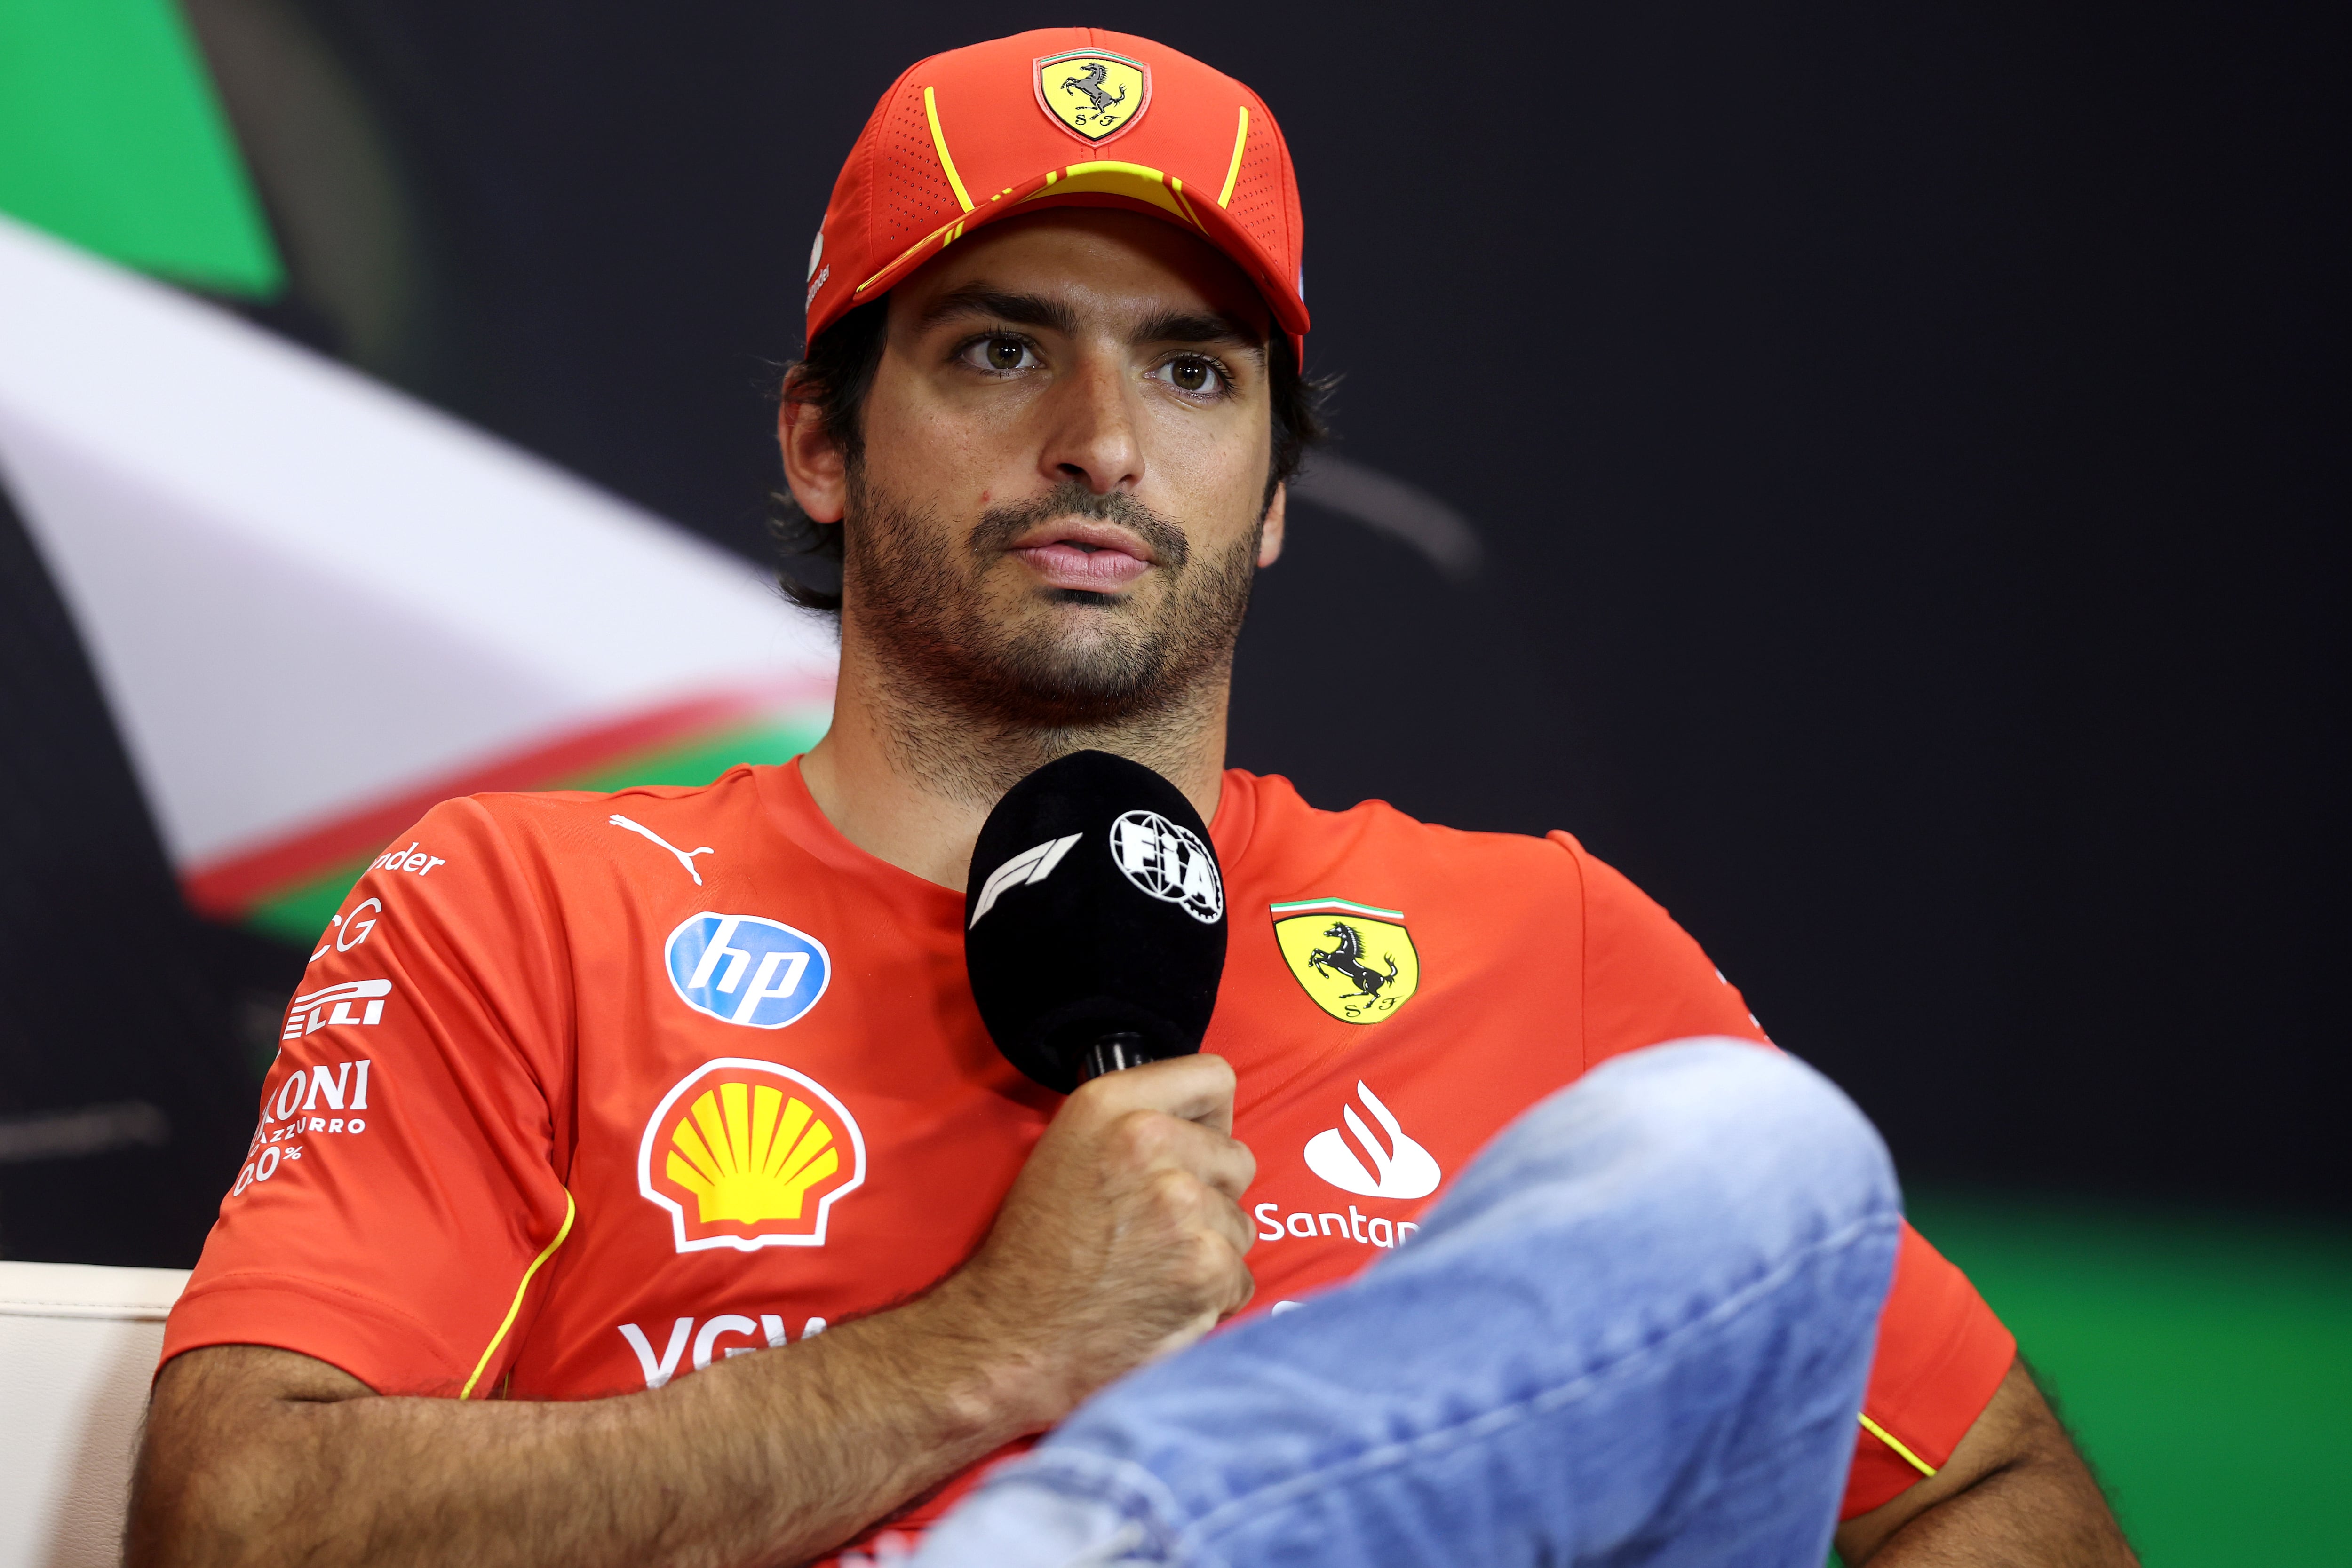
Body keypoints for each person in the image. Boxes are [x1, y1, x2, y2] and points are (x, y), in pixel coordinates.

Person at [130, 27, 2132, 1568]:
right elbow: (235, 1522)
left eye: (1191, 377)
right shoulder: (526, 903)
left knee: (1748, 1154)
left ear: (1269, 499)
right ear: (820, 444)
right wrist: (985, 1354)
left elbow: (1995, 1480)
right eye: (1003, 351)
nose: (1098, 444)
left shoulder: (1542, 946)